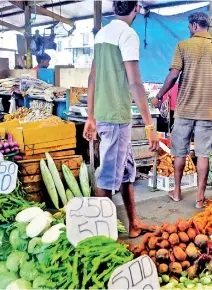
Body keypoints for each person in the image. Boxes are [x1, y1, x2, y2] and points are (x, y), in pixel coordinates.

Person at [83, 0, 158, 238]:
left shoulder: (102, 34)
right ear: (136, 7)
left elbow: (92, 78)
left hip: (108, 115)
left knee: (126, 171)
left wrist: (91, 116)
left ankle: (133, 223)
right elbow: (135, 82)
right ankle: (100, 238)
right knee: (106, 179)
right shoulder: (128, 35)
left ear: (114, 9)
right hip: (116, 117)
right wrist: (149, 125)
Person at [153, 12, 212, 208]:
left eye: (189, 27)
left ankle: (177, 192)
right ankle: (199, 199)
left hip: (183, 111)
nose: (189, 30)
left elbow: (173, 76)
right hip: (206, 112)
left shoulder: (183, 46)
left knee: (180, 153)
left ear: (195, 25)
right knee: (203, 154)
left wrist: (159, 95)